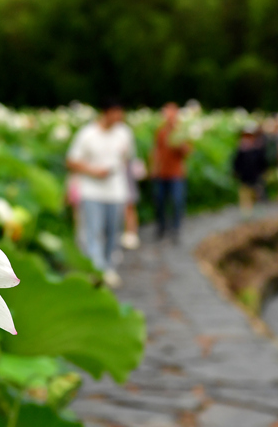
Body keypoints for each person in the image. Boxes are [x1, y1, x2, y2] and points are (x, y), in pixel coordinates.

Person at [66, 98, 135, 288]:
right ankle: (97, 271)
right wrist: (94, 171)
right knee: (93, 232)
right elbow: (71, 161)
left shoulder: (124, 133)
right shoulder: (87, 134)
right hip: (91, 192)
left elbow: (127, 158)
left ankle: (109, 268)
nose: (119, 117)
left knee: (113, 233)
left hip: (117, 192)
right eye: (116, 113)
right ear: (106, 113)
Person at [150, 102, 191, 243]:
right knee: (159, 201)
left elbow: (187, 152)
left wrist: (180, 144)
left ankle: (176, 228)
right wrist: (153, 168)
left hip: (176, 174)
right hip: (161, 173)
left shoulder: (182, 132)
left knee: (177, 201)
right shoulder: (161, 131)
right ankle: (161, 226)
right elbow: (156, 150)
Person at [233, 123, 269, 216]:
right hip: (244, 178)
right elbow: (236, 164)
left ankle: (258, 215)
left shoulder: (258, 149)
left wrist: (263, 173)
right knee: (245, 196)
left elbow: (263, 163)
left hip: (256, 178)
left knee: (257, 196)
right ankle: (247, 215)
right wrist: (236, 172)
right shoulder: (240, 151)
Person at [121, 157, 146, 250]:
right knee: (128, 212)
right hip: (122, 190)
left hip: (128, 189)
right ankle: (129, 236)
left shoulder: (131, 161)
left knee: (130, 211)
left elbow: (141, 174)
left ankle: (131, 236)